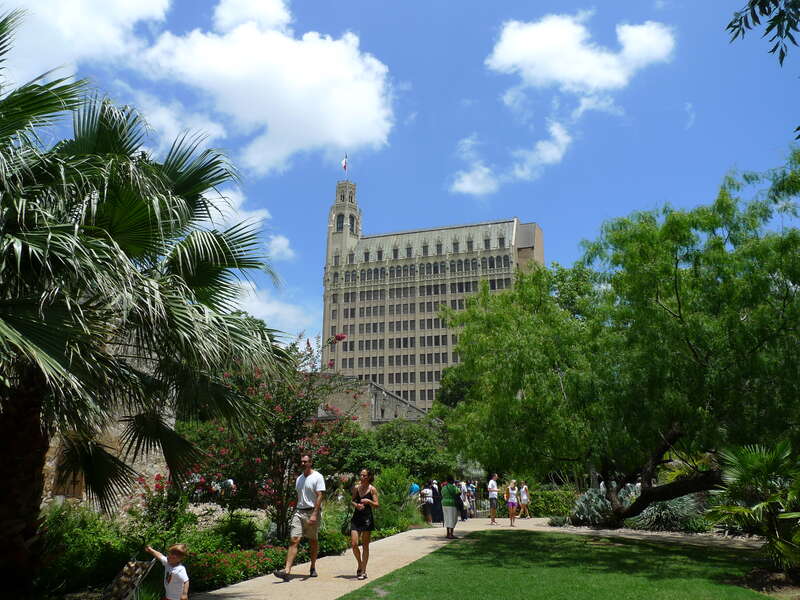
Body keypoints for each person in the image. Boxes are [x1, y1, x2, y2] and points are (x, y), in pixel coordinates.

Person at [274, 453, 326, 581]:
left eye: (305, 461)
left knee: (312, 541)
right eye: (301, 462)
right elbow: (299, 496)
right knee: (294, 539)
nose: (302, 464)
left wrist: (314, 513)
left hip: (312, 512)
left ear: (310, 463)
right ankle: (287, 571)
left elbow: (320, 495)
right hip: (299, 512)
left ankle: (313, 567)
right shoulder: (299, 478)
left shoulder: (317, 477)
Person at [350, 468, 379, 580]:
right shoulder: (357, 488)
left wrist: (369, 501)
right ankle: (360, 564)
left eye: (364, 476)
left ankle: (363, 571)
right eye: (360, 475)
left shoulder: (372, 489)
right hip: (356, 518)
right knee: (354, 544)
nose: (361, 477)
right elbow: (352, 500)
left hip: (367, 519)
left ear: (368, 477)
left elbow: (377, 504)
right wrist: (356, 505)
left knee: (365, 545)